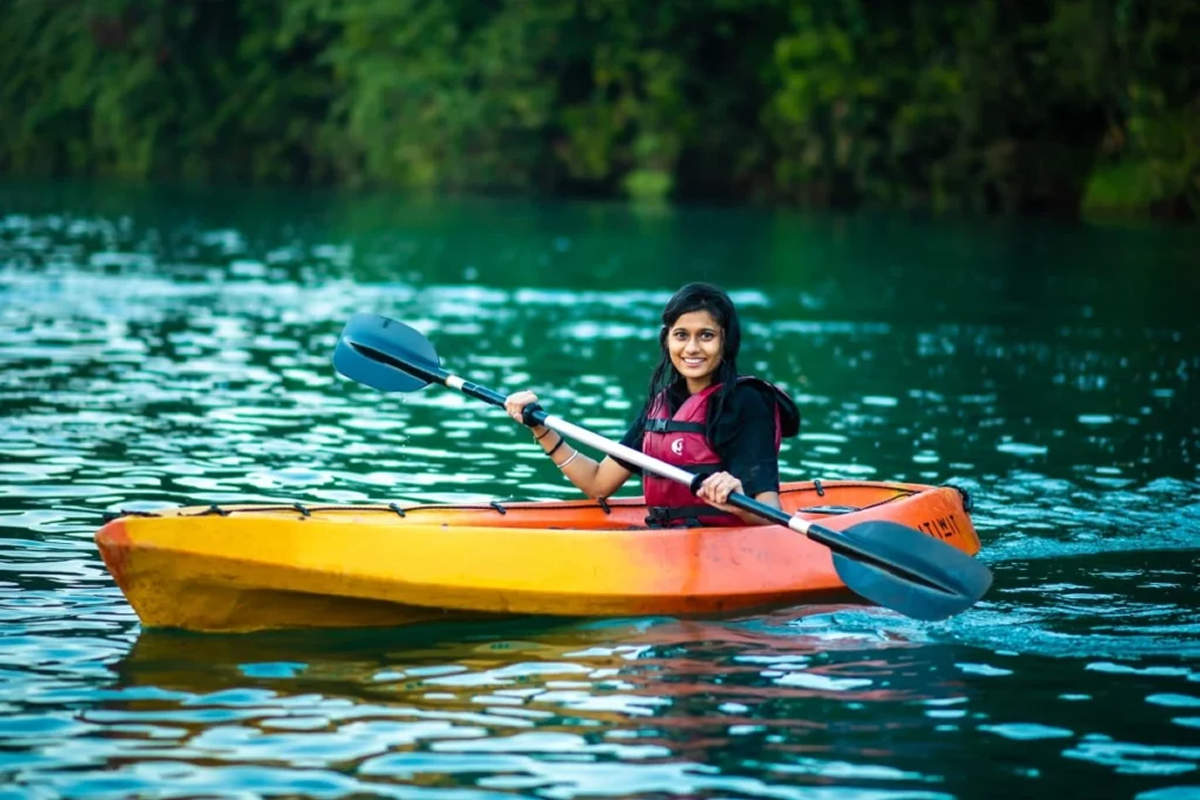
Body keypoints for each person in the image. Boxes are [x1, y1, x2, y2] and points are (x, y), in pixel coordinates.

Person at [504, 282, 800, 527]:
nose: (692, 348)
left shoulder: (746, 402)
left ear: (726, 342)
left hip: (728, 550)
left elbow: (770, 515)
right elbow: (597, 483)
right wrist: (540, 427)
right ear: (667, 340)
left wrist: (737, 500)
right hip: (667, 542)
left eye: (706, 336)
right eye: (681, 335)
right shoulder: (663, 405)